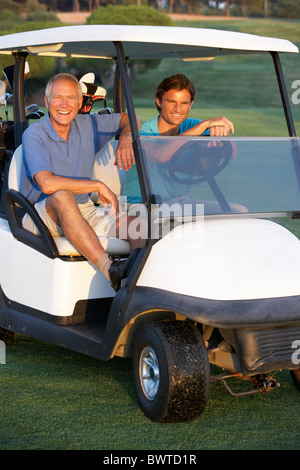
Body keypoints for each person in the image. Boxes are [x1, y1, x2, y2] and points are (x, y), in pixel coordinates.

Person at [21, 73, 143, 291]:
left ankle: (136, 286)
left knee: (137, 225)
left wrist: (126, 136)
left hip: (83, 210)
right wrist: (97, 185)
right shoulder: (34, 134)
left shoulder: (89, 124)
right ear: (46, 102)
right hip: (40, 216)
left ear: (79, 102)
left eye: (70, 98)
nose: (64, 104)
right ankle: (111, 271)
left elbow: (130, 118)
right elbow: (47, 184)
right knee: (62, 195)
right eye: (57, 98)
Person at [121, 73, 234, 203]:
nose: (178, 109)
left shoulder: (192, 126)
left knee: (238, 212)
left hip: (177, 202)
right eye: (171, 102)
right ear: (159, 101)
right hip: (142, 206)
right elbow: (160, 155)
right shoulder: (142, 132)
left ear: (190, 105)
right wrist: (204, 125)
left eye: (184, 103)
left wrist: (222, 132)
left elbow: (232, 152)